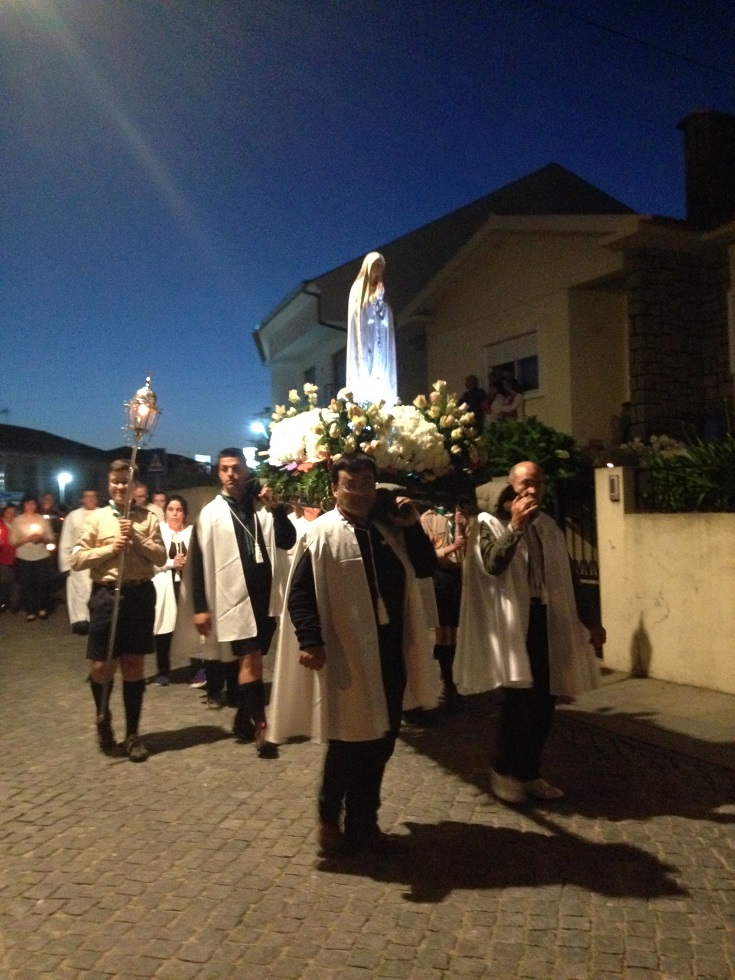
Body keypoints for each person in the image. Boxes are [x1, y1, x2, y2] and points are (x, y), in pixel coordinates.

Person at [281, 453, 439, 855]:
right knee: (349, 739)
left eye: (367, 484)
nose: (360, 493)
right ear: (335, 488)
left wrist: (412, 525)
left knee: (383, 737)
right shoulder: (321, 533)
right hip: (347, 650)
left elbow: (425, 567)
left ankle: (363, 823)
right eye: (351, 485)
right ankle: (328, 815)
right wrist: (310, 640)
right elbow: (299, 593)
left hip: (390, 649)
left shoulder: (389, 529)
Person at [455, 461, 604, 803]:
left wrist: (591, 621)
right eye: (525, 483)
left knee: (546, 699)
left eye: (538, 483)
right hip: (513, 622)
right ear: (511, 486)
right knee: (520, 700)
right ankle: (504, 768)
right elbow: (493, 564)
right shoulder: (489, 523)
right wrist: (516, 527)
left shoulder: (548, 525)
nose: (532, 490)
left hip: (547, 619)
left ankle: (530, 772)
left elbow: (569, 576)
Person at [189, 448, 295, 757]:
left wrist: (278, 510)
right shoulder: (210, 514)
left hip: (265, 597)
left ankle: (241, 718)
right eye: (225, 469)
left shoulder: (262, 506)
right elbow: (198, 563)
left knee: (255, 656)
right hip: (233, 597)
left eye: (236, 468)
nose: (231, 474)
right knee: (251, 658)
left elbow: (287, 540)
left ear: (246, 470)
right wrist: (200, 607)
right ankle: (262, 727)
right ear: (218, 473)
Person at [69, 459, 166, 762]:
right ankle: (103, 716)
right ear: (108, 484)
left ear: (135, 485)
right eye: (115, 481)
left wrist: (136, 538)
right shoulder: (96, 519)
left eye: (126, 481)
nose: (121, 486)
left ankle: (133, 734)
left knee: (134, 665)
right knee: (101, 666)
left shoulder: (148, 518)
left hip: (139, 595)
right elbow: (77, 559)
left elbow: (161, 557)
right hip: (106, 596)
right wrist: (110, 549)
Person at [420, 502, 468, 710]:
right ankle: (445, 681)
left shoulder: (461, 517)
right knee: (443, 633)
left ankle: (453, 681)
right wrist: (452, 547)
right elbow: (426, 553)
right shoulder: (428, 518)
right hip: (439, 577)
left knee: (454, 633)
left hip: (459, 575)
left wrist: (463, 527)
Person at [346, 251, 397, 406]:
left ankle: (384, 400)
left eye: (381, 266)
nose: (378, 269)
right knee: (366, 366)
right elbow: (358, 313)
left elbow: (386, 314)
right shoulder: (359, 287)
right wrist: (373, 299)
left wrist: (380, 299)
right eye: (375, 265)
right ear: (368, 267)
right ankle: (364, 402)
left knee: (380, 367)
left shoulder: (381, 289)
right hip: (365, 337)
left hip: (379, 338)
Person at [152, 494, 192, 685]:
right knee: (164, 628)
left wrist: (187, 562)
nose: (175, 514)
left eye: (179, 510)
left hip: (186, 583)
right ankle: (163, 670)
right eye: (170, 509)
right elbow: (151, 561)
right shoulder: (158, 532)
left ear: (184, 513)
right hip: (165, 584)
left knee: (191, 625)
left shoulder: (191, 532)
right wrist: (171, 563)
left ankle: (198, 666)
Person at [58, 489, 99, 634]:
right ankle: (80, 620)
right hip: (79, 560)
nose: (90, 499)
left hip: (98, 558)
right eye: (87, 497)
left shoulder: (104, 514)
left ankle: (96, 619)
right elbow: (66, 541)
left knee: (95, 590)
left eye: (93, 496)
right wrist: (65, 564)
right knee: (79, 590)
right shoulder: (73, 516)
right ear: (82, 499)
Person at [9, 495, 56, 621]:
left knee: (42, 583)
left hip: (41, 556)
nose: (31, 506)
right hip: (24, 557)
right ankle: (30, 610)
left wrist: (41, 538)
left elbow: (51, 537)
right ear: (23, 505)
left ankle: (42, 607)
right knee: (28, 584)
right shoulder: (17, 520)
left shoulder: (41, 519)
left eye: (33, 503)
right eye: (28, 503)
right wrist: (27, 539)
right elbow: (12, 541)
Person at [0, 503, 18, 613]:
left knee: (15, 581)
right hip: (3, 557)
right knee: (4, 581)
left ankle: (13, 603)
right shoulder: (1, 524)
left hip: (16, 557)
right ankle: (3, 602)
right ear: (4, 513)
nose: (11, 515)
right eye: (8, 512)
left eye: (13, 513)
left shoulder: (17, 524)